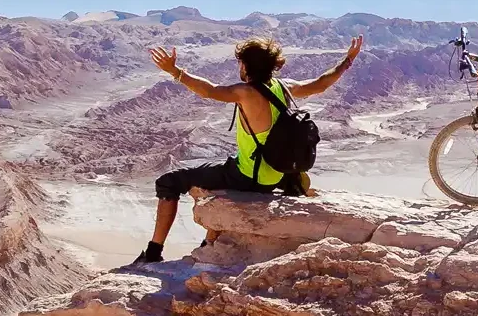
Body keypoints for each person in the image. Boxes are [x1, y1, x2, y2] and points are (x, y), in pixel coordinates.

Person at [136, 34, 364, 263]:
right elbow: (320, 85)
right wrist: (348, 61)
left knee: (168, 182)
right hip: (277, 172)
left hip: (249, 176)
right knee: (224, 168)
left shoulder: (245, 92)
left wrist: (175, 72)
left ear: (245, 65)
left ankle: (153, 253)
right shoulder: (284, 87)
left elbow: (209, 90)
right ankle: (208, 244)